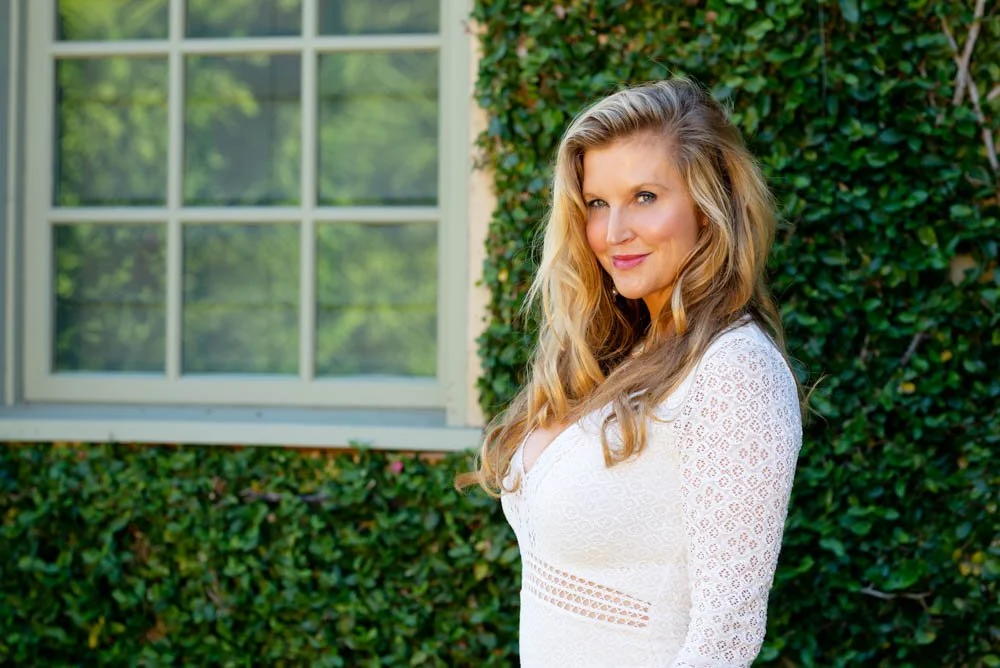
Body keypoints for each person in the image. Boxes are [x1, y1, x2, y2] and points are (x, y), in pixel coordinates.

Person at [457, 77, 803, 666]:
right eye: (597, 203)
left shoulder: (733, 371)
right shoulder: (621, 352)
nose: (613, 233)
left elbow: (724, 641)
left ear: (709, 206)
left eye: (645, 196)